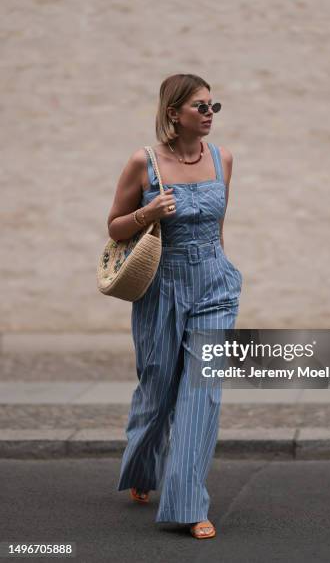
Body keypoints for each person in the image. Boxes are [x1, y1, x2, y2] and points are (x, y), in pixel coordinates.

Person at [107, 73, 243, 539]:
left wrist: (223, 267)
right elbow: (115, 227)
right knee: (158, 384)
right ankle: (143, 469)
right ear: (173, 112)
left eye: (213, 107)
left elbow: (219, 225)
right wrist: (148, 213)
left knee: (201, 392)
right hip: (160, 288)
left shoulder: (222, 158)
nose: (208, 114)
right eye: (200, 107)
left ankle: (188, 504)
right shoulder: (143, 163)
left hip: (215, 287)